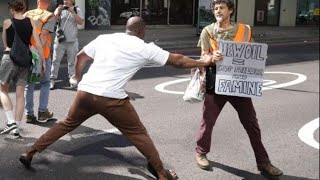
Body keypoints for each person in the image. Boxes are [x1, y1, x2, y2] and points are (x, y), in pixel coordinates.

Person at [19, 16, 215, 180]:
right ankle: (162, 175)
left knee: (65, 124)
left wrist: (77, 76)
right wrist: (202, 62)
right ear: (142, 32)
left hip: (86, 93)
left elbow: (81, 56)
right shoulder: (144, 47)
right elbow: (178, 61)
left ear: (127, 29)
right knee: (139, 134)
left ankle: (30, 152)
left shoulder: (105, 38)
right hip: (112, 99)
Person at [194, 0, 283, 178]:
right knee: (208, 121)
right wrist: (212, 57)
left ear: (231, 10)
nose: (217, 10)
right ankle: (200, 152)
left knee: (251, 124)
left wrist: (259, 55)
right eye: (215, 8)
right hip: (217, 83)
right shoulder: (207, 31)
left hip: (240, 84)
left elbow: (253, 51)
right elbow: (203, 56)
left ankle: (264, 162)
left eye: (221, 7)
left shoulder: (245, 30)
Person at [0, 0, 45, 138]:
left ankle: (11, 121)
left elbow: (5, 43)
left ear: (12, 9)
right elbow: (37, 42)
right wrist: (42, 61)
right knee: (20, 94)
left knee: (2, 89)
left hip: (10, 58)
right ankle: (17, 128)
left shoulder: (7, 22)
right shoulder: (30, 21)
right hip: (25, 60)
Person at [24, 0, 56, 124]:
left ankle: (29, 114)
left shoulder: (27, 14)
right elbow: (43, 37)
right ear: (48, 3)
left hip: (28, 54)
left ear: (38, 2)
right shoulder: (49, 16)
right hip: (43, 55)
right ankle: (42, 112)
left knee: (30, 85)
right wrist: (41, 57)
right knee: (45, 83)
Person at [50, 0, 84, 90]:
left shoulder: (77, 10)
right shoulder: (59, 9)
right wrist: (57, 13)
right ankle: (52, 80)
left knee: (72, 62)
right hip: (59, 41)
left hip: (72, 41)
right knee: (55, 61)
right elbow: (52, 21)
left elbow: (80, 22)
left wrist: (72, 12)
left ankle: (72, 80)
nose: (65, 1)